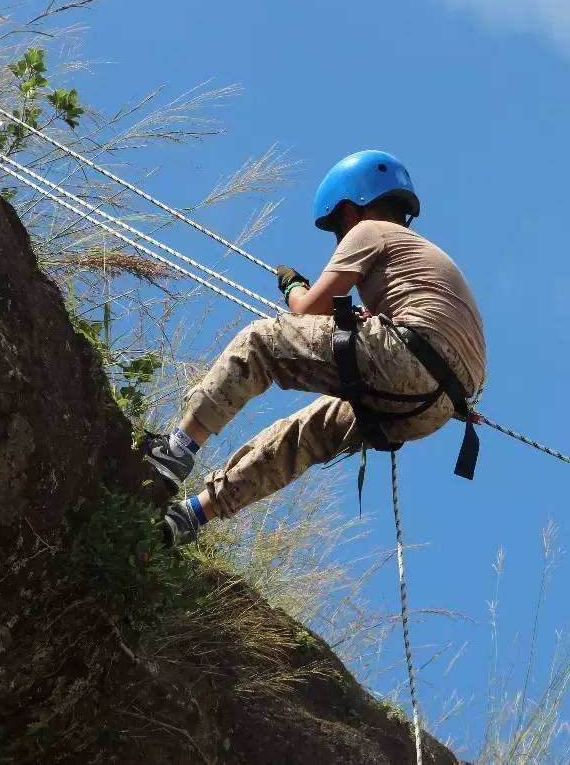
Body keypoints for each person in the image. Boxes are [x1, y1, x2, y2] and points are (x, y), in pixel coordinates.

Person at [141, 149, 487, 547]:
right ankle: (192, 515)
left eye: (338, 227)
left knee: (262, 342)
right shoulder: (423, 258)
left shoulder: (370, 231)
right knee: (309, 434)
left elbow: (307, 312)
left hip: (405, 357)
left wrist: (293, 287)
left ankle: (175, 453)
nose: (340, 238)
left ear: (352, 208)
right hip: (437, 408)